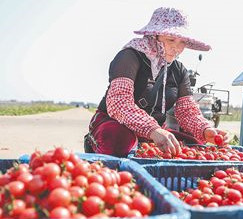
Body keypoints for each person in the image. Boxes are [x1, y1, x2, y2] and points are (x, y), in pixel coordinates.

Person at [84, 7, 230, 157]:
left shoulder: (178, 70)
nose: (177, 48)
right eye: (171, 40)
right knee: (119, 140)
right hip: (114, 124)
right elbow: (119, 103)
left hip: (154, 132)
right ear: (155, 36)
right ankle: (95, 144)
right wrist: (153, 130)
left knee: (195, 146)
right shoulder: (129, 57)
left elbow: (187, 111)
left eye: (182, 42)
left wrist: (205, 129)